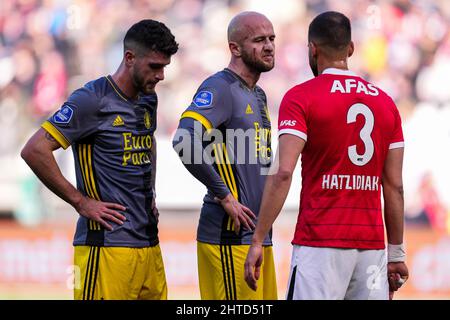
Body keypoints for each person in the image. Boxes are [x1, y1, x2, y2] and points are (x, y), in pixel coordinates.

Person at [244, 11, 409, 300]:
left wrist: (258, 238)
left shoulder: (301, 97)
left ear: (312, 49)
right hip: (371, 247)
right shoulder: (385, 102)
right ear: (351, 49)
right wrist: (395, 253)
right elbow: (394, 186)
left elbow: (283, 172)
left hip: (319, 242)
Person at [21, 20, 178, 300]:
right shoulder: (91, 100)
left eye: (164, 66)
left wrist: (150, 194)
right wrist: (81, 202)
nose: (161, 75)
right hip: (104, 246)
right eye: (155, 66)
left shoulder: (147, 99)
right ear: (129, 58)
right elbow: (34, 150)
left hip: (148, 244)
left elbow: (148, 141)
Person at [172, 11, 277, 300]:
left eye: (271, 38)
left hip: (257, 237)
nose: (269, 45)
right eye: (259, 40)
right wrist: (225, 195)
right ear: (235, 48)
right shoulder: (220, 87)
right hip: (229, 236)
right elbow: (183, 139)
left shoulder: (258, 95)